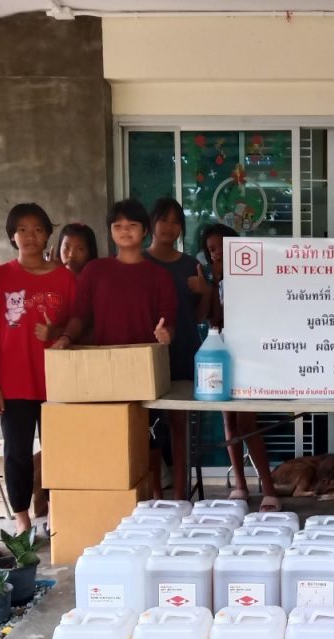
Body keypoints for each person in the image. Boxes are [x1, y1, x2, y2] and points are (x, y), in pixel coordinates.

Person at [0, 203, 75, 535]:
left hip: (57, 382)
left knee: (57, 450)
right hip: (14, 382)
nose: (30, 236)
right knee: (17, 452)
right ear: (12, 235)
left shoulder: (65, 277)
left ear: (48, 234)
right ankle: (22, 518)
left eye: (37, 229)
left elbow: (78, 326)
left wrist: (58, 332)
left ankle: (56, 511)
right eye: (22, 229)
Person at [203, 223, 281, 512]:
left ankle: (268, 488)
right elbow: (214, 320)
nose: (217, 254)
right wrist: (214, 283)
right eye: (212, 250)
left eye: (222, 248)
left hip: (249, 356)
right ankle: (240, 484)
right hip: (221, 355)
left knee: (247, 422)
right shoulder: (213, 281)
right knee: (229, 422)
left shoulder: (252, 278)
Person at [145, 197, 213, 500]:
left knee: (180, 425)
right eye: (164, 219)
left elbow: (200, 317)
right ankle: (156, 496)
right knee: (150, 428)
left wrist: (205, 291)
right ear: (151, 224)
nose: (169, 227)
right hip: (148, 356)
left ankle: (181, 495)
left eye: (176, 222)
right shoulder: (139, 263)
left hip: (185, 352)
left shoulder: (190, 265)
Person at [53, 199, 176, 351]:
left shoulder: (161, 276)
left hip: (147, 358)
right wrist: (66, 337)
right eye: (118, 226)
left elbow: (169, 322)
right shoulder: (94, 270)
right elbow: (80, 315)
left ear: (145, 230)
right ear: (111, 231)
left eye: (132, 225)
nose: (125, 231)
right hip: (105, 359)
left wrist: (166, 334)